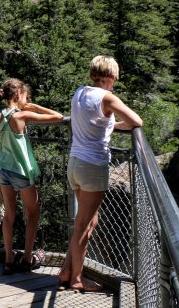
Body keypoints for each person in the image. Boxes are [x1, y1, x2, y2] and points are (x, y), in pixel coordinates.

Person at [58, 56, 143, 292]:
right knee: (83, 225)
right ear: (112, 77)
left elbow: (93, 121)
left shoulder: (79, 92)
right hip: (93, 166)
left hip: (75, 163)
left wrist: (109, 125)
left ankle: (66, 270)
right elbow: (136, 121)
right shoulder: (107, 98)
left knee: (87, 222)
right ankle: (76, 279)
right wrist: (116, 124)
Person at [0, 79, 64, 274]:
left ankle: (9, 259)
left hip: (2, 171)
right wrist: (33, 107)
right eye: (26, 97)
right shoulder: (23, 115)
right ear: (18, 95)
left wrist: (0, 106)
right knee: (33, 213)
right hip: (20, 171)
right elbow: (59, 117)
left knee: (9, 215)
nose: (28, 101)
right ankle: (27, 258)